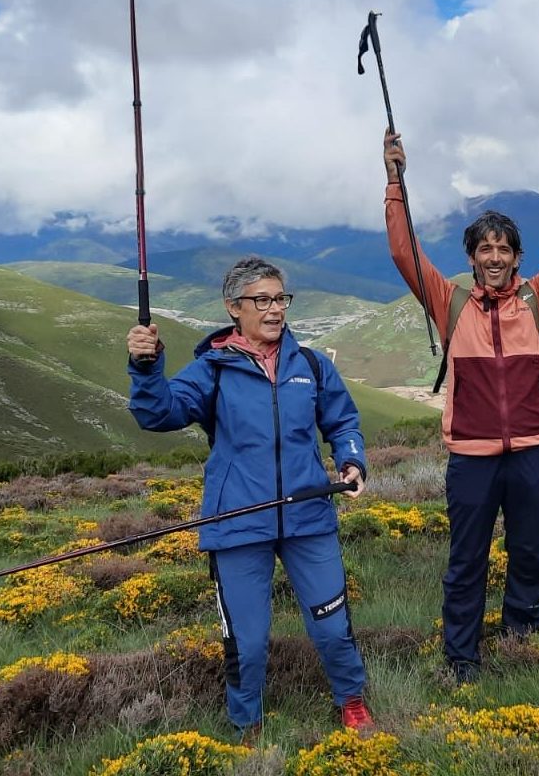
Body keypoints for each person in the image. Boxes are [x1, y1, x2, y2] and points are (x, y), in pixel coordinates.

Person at [126, 255, 374, 741]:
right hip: (237, 524)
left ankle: (352, 701)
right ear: (233, 307)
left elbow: (343, 422)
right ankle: (247, 725)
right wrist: (146, 365)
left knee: (331, 626)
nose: (275, 309)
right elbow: (159, 414)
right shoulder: (212, 370)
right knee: (248, 642)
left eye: (281, 298)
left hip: (309, 517)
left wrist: (351, 460)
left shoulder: (311, 366)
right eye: (262, 300)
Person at [381, 126, 539, 683]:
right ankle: (462, 656)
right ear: (472, 258)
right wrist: (394, 180)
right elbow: (406, 252)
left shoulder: (536, 298)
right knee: (466, 560)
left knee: (532, 552)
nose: (494, 256)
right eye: (485, 249)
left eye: (503, 248)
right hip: (470, 457)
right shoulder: (449, 303)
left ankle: (522, 633)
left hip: (529, 451)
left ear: (516, 257)